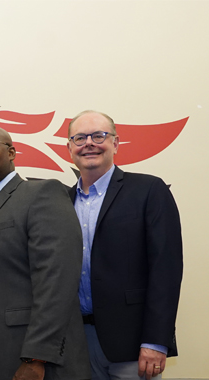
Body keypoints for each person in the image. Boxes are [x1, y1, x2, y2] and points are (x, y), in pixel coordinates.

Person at [0, 124, 89, 380]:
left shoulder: (41, 193)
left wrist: (35, 357)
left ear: (12, 152)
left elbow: (56, 281)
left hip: (35, 364)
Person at [66, 110, 182, 380]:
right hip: (76, 345)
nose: (89, 143)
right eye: (80, 138)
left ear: (116, 143)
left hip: (133, 346)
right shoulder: (60, 201)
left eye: (99, 135)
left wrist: (155, 342)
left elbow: (166, 270)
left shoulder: (149, 191)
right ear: (69, 147)